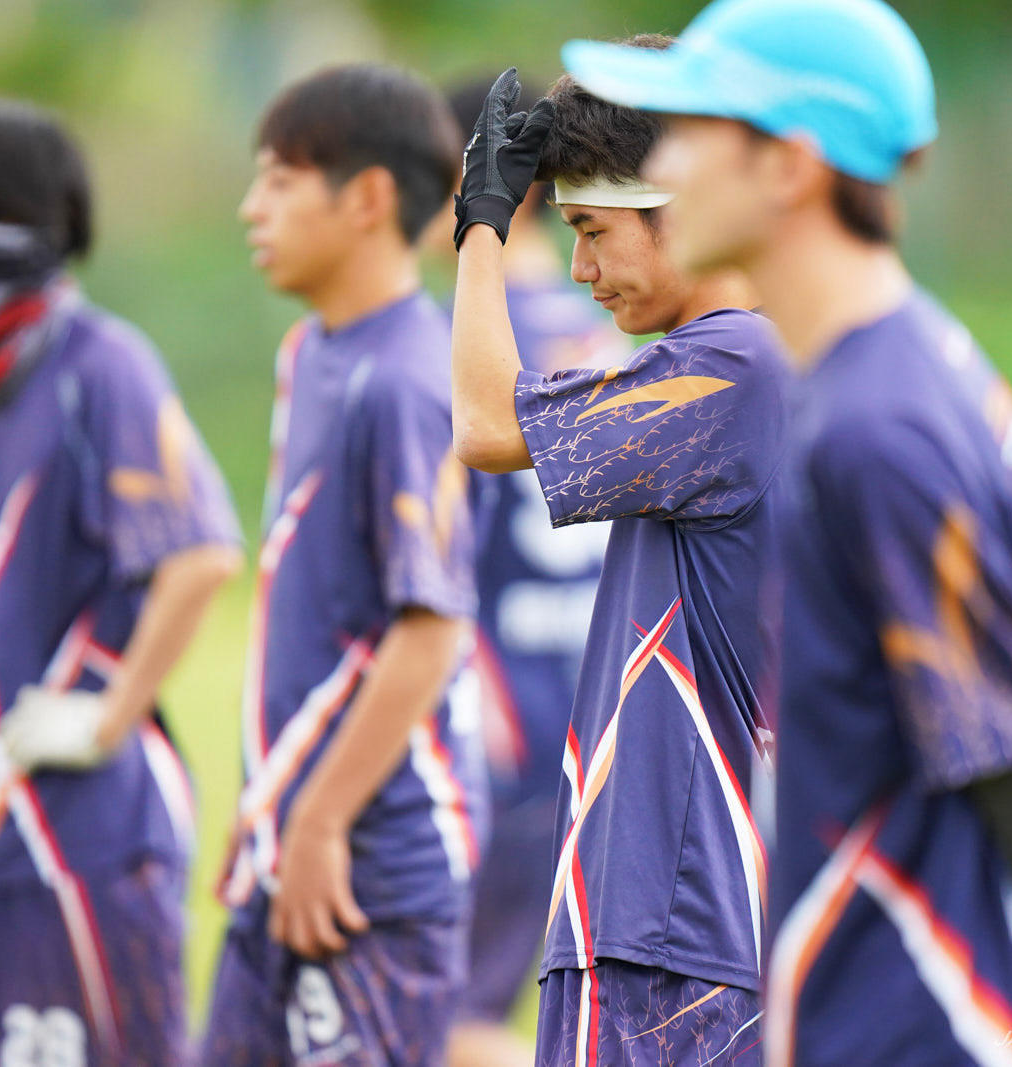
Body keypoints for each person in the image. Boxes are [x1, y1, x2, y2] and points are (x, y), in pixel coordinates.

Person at [562, 2, 1012, 1064]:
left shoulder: (880, 424)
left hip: (919, 1012)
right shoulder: (880, 377)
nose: (664, 166)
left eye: (692, 133)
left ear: (790, 166)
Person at [449, 50, 786, 1065]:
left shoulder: (730, 364)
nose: (582, 269)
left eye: (594, 231)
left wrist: (481, 226)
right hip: (671, 916)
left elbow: (484, 424)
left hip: (667, 923)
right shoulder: (737, 359)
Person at [0, 98, 243, 1066]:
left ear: (9, 208)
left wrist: (106, 717)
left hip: (86, 825)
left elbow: (201, 551)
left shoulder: (101, 361)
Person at [199, 64, 486, 1067]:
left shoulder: (405, 381)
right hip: (296, 835)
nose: (253, 207)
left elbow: (430, 630)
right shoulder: (309, 354)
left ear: (367, 198)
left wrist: (321, 819)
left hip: (375, 860)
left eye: (279, 180)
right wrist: (273, 807)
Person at [437, 77, 626, 1067]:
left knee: (443, 1027)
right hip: (591, 714)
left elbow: (431, 538)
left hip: (497, 725)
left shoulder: (470, 336)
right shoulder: (608, 330)